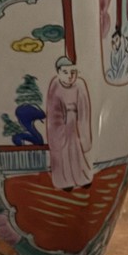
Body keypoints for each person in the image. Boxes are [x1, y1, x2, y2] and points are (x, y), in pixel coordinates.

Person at [44, 55, 94, 191]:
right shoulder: (55, 85)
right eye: (65, 72)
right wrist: (58, 129)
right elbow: (53, 111)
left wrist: (83, 131)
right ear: (59, 72)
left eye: (73, 72)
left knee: (76, 152)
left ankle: (82, 178)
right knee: (62, 154)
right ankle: (64, 181)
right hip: (60, 126)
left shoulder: (80, 85)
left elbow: (84, 109)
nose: (70, 76)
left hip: (75, 125)